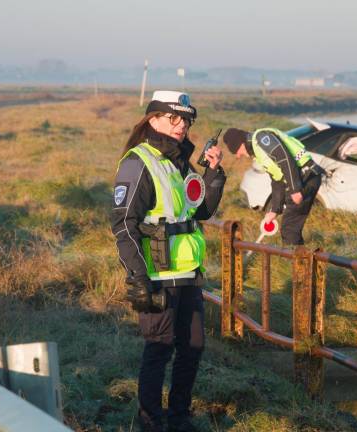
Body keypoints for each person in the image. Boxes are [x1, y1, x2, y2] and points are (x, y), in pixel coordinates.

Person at [110, 90, 225, 432]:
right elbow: (124, 223)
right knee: (159, 350)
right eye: (173, 118)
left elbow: (201, 211)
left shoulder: (179, 161)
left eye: (186, 120)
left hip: (188, 273)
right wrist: (137, 277)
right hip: (157, 275)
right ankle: (150, 423)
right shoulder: (138, 161)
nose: (181, 125)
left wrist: (213, 173)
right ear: (154, 119)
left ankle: (179, 419)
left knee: (192, 348)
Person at [223, 127, 323, 245]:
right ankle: (300, 254)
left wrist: (295, 189)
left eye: (236, 151)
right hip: (302, 178)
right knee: (290, 229)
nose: (238, 155)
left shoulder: (261, 138)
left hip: (306, 176)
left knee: (289, 229)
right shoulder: (258, 152)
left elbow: (285, 159)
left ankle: (297, 256)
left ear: (241, 143)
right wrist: (275, 210)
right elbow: (277, 180)